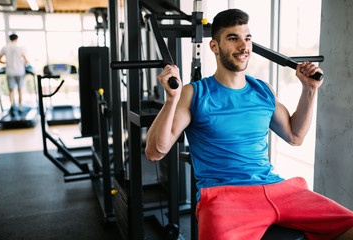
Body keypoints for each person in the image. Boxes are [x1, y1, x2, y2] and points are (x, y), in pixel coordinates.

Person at [145, 9, 353, 240]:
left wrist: (309, 90)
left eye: (248, 39)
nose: (244, 47)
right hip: (224, 196)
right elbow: (155, 152)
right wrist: (172, 98)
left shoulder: (263, 90)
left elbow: (295, 136)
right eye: (233, 38)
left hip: (278, 189)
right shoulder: (195, 93)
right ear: (214, 46)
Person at [0, 33, 29, 115]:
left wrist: (8, 62)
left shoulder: (4, 48)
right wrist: (24, 64)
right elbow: (26, 60)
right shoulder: (20, 48)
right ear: (16, 39)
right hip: (19, 71)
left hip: (10, 71)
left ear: (10, 39)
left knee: (11, 90)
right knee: (20, 89)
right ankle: (20, 107)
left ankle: (12, 106)